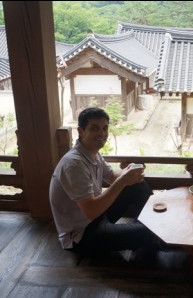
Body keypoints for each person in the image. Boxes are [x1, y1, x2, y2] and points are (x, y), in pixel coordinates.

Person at [49, 107, 156, 262]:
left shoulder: (91, 153)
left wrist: (130, 171)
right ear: (81, 131)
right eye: (94, 128)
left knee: (138, 184)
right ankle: (146, 233)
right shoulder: (74, 164)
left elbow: (112, 176)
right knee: (151, 232)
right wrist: (124, 180)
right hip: (82, 235)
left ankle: (146, 225)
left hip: (98, 217)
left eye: (105, 128)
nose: (102, 133)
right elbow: (91, 211)